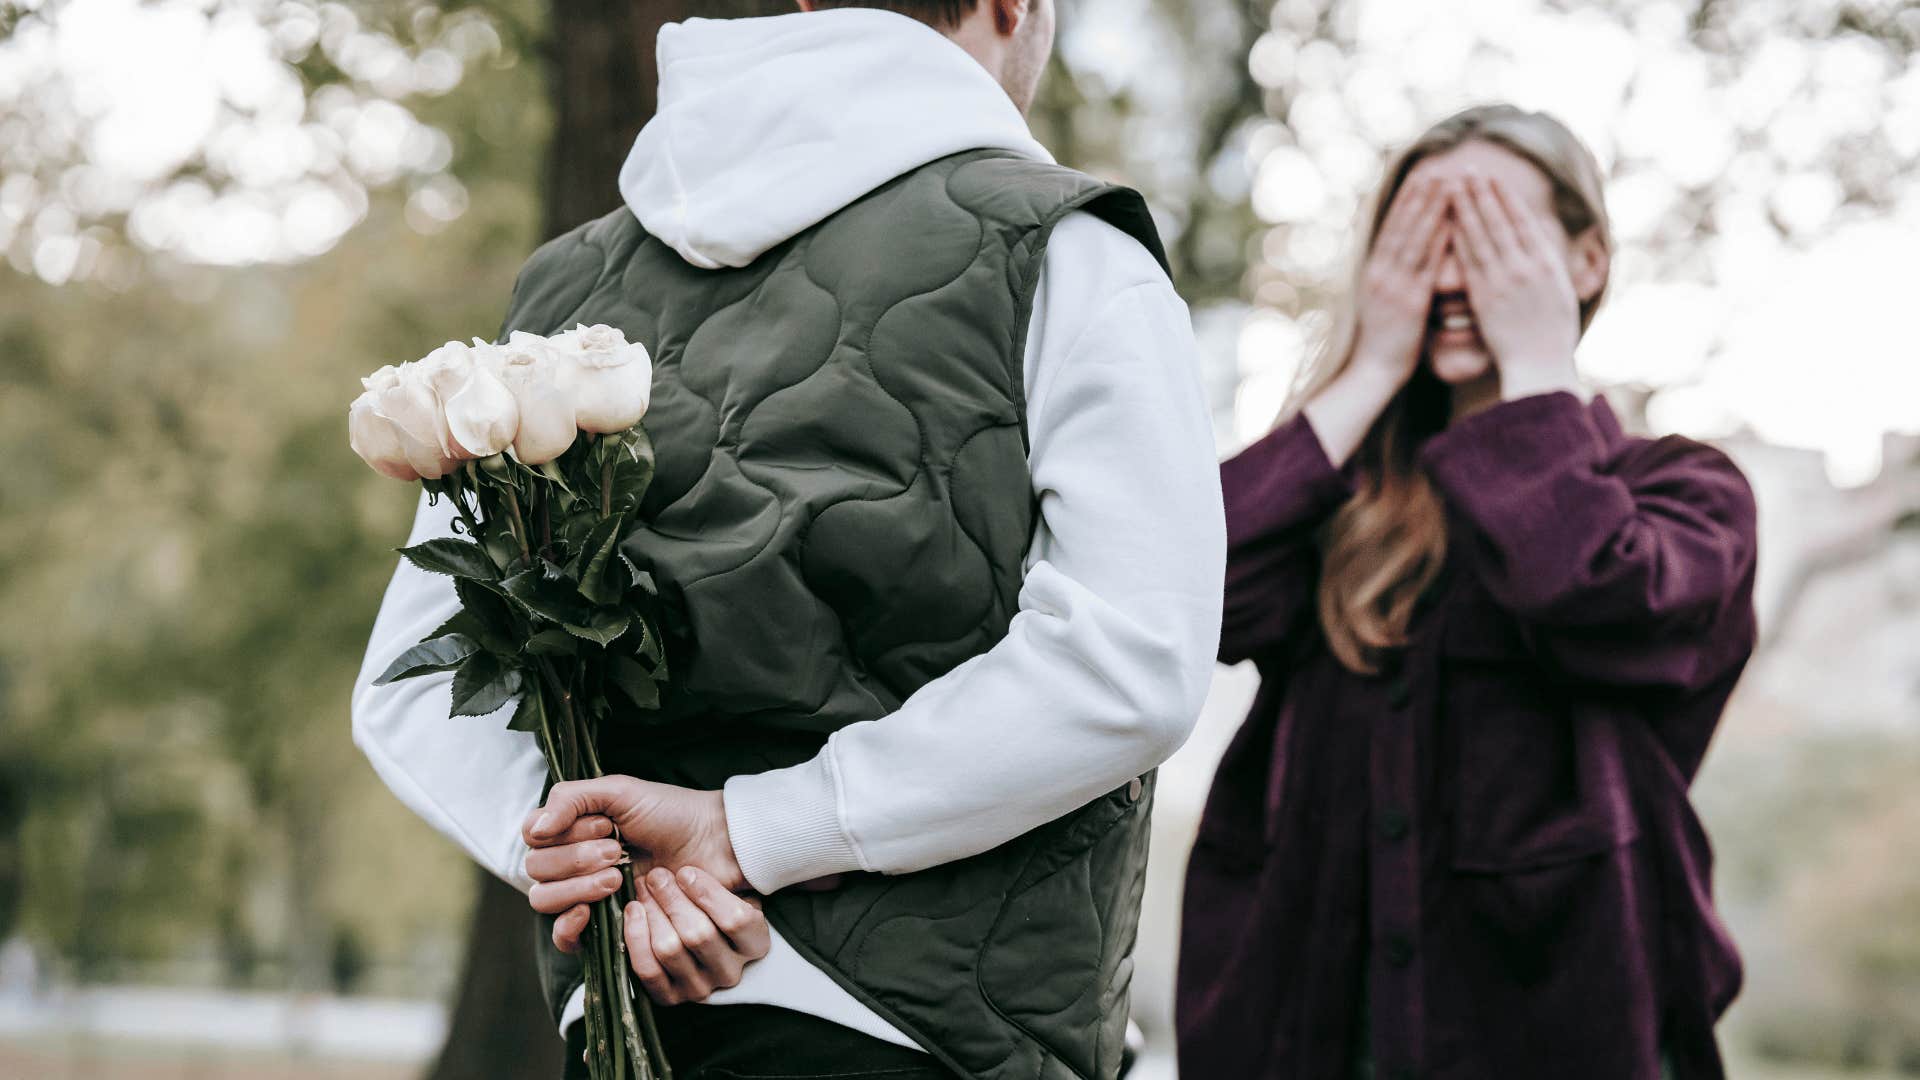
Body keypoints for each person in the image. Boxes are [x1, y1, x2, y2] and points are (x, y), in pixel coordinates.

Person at [350, 1, 1225, 1078]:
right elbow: (1131, 659)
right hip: (931, 1033)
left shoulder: (563, 295)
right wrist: (749, 832)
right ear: (1015, 6)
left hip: (642, 1008)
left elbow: (415, 676)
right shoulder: (1069, 251)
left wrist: (601, 866)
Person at [1176, 104, 1756, 1080]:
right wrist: (1367, 370)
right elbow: (1181, 595)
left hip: (1566, 1036)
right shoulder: (1336, 493)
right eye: (1421, 242)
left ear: (1585, 261)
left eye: (1491, 238)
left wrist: (1536, 374)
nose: (1451, 276)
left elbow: (1599, 598)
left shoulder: (1686, 492)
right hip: (1306, 1031)